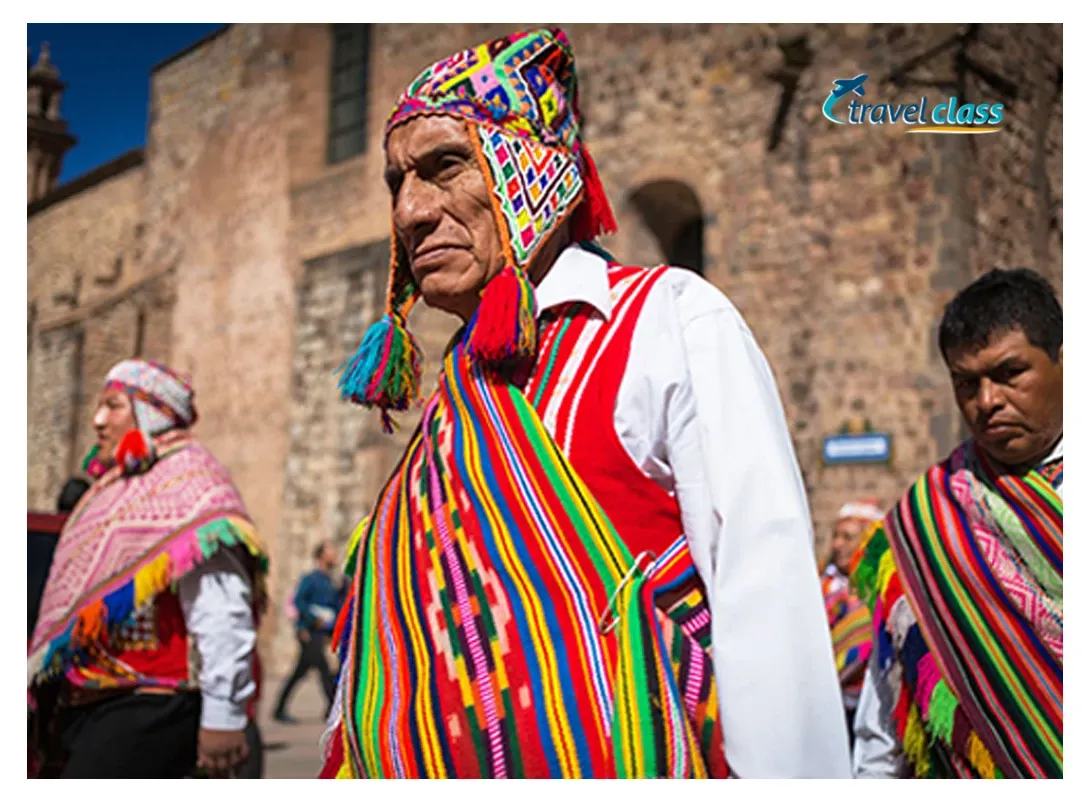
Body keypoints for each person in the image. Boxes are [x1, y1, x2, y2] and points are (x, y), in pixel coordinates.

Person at [320, 27, 848, 779]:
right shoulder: (454, 396)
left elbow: (763, 596)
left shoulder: (665, 321)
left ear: (527, 167)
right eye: (396, 183)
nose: (409, 213)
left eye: (443, 167)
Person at [851, 267, 1062, 779]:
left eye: (1010, 373)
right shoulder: (924, 522)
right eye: (966, 383)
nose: (986, 401)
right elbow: (886, 711)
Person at [27, 359, 269, 779]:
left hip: (151, 709)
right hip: (94, 707)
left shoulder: (193, 489)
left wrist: (224, 718)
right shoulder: (120, 487)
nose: (98, 421)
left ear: (149, 411)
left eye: (113, 406)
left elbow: (221, 608)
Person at [821, 499, 883, 744]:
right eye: (835, 536)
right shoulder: (823, 586)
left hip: (871, 702)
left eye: (847, 537)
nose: (837, 544)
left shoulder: (879, 593)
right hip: (828, 705)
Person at [273, 541, 342, 723]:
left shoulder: (332, 581)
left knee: (301, 672)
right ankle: (333, 709)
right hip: (310, 633)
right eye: (330, 551)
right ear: (321, 555)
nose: (334, 554)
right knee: (324, 671)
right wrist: (308, 623)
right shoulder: (311, 579)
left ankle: (279, 709)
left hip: (323, 633)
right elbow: (299, 602)